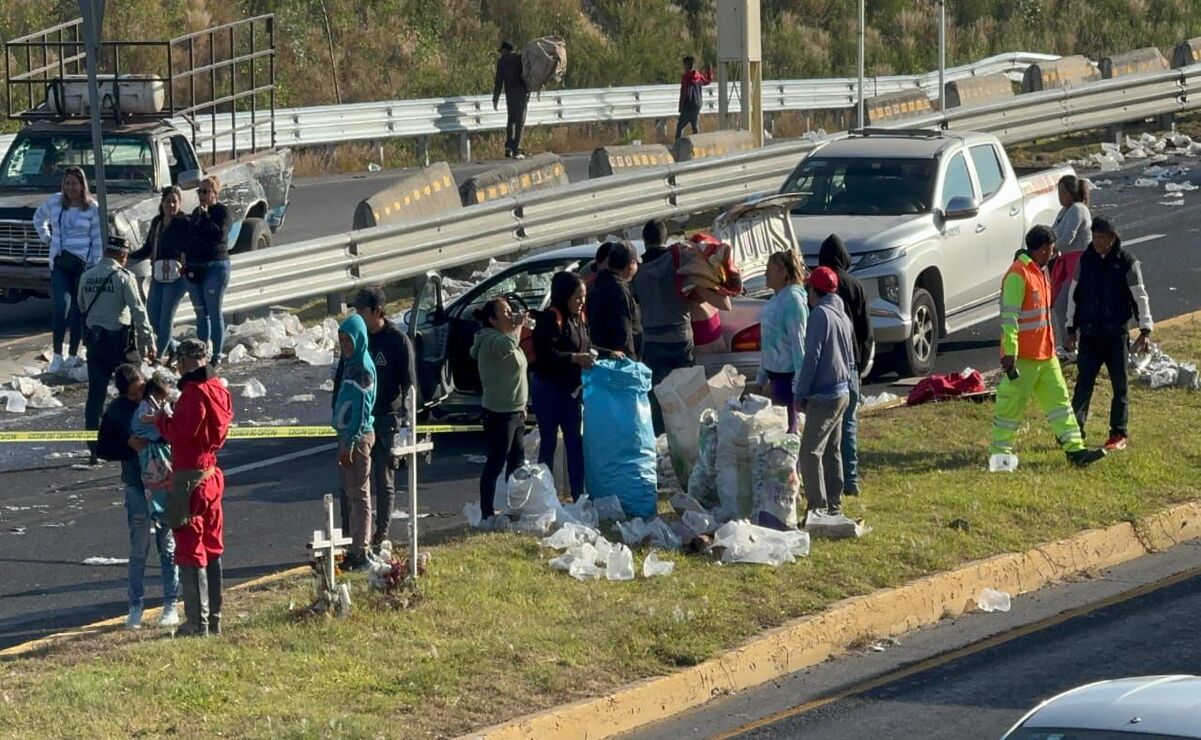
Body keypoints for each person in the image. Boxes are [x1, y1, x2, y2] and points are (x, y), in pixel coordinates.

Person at [990, 226, 1106, 468]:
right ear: (1042, 249)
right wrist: (1009, 352)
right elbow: (1009, 318)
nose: (1054, 254)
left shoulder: (1039, 271)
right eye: (1052, 249)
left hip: (1045, 354)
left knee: (1061, 404)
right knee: (1011, 408)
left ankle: (1076, 451)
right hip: (1023, 357)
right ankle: (1001, 457)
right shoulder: (1018, 274)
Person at [154, 338, 233, 636]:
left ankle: (195, 623)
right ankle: (214, 620)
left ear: (186, 360)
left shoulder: (192, 392)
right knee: (212, 546)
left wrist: (161, 418)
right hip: (211, 473)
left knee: (189, 547)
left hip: (190, 477)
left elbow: (181, 432)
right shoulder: (219, 389)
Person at [98, 364, 179, 631]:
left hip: (164, 482)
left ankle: (170, 603)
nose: (139, 397)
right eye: (133, 394)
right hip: (136, 484)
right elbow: (102, 448)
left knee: (167, 546)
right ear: (123, 395)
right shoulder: (116, 412)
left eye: (141, 389)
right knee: (138, 549)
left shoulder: (158, 400)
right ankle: (135, 606)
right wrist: (127, 445)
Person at [335, 287, 416, 551]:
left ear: (377, 311)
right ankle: (353, 536)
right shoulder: (355, 342)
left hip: (385, 418)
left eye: (362, 310)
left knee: (383, 479)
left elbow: (409, 383)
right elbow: (340, 383)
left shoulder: (396, 341)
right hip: (356, 423)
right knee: (353, 484)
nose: (358, 314)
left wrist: (405, 417)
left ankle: (380, 534)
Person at [1065, 216, 1153, 452]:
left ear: (1112, 238)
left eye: (1101, 237)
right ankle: (1075, 431)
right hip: (1090, 335)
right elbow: (1075, 293)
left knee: (1120, 386)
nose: (1096, 242)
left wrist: (1145, 330)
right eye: (1094, 237)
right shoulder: (1086, 259)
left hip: (1115, 336)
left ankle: (1118, 433)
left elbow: (1139, 296)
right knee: (1083, 384)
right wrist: (1070, 328)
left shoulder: (1126, 262)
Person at [79, 240, 156, 465]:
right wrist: (148, 341)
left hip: (96, 343)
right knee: (138, 392)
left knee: (95, 397)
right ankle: (141, 436)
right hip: (121, 345)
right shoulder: (124, 277)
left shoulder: (87, 276)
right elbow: (138, 310)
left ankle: (94, 448)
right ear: (123, 256)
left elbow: (81, 305)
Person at [794, 267, 856, 518]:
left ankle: (817, 507)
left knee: (809, 452)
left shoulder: (819, 315)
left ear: (813, 291)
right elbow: (851, 358)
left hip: (825, 394)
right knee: (832, 450)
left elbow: (812, 357)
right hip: (843, 391)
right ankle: (834, 504)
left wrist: (801, 392)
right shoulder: (842, 315)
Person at [818, 234, 874, 497]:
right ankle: (850, 482)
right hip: (850, 364)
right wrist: (861, 364)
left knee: (824, 428)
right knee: (849, 424)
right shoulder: (855, 285)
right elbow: (866, 330)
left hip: (827, 367)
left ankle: (830, 483)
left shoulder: (817, 287)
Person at [34, 166, 103, 375]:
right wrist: (48, 240)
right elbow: (38, 219)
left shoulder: (91, 208)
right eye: (67, 183)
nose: (71, 188)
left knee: (77, 311)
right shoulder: (55, 202)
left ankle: (73, 354)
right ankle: (57, 355)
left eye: (75, 183)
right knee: (61, 306)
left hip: (82, 264)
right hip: (61, 263)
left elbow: (97, 239)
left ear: (82, 185)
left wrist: (94, 264)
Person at [532, 272, 593, 501]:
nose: (581, 302)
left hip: (572, 390)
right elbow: (547, 355)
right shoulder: (550, 318)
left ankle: (578, 494)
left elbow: (587, 342)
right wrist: (575, 358)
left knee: (575, 442)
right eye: (577, 298)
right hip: (549, 389)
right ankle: (544, 496)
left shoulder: (580, 318)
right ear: (564, 296)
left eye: (583, 297)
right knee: (548, 442)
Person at [632, 220, 694, 433]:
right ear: (665, 238)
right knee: (685, 393)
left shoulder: (637, 272)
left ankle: (662, 442)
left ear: (644, 240)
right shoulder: (678, 261)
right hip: (681, 336)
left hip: (653, 341)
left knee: (659, 397)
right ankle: (687, 436)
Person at [471, 297, 529, 519]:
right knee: (496, 462)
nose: (510, 314)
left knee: (517, 462)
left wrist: (522, 405)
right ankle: (487, 512)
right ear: (492, 320)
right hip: (499, 413)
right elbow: (506, 348)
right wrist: (519, 325)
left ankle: (512, 508)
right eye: (505, 312)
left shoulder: (505, 338)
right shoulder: (490, 340)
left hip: (515, 410)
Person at [333, 313, 378, 569]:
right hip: (347, 436)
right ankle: (355, 546)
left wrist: (350, 443)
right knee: (352, 494)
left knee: (359, 495)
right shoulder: (350, 364)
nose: (345, 346)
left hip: (357, 439)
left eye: (349, 340)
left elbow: (362, 409)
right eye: (342, 341)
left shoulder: (362, 367)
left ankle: (361, 548)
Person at [132, 186, 192, 363]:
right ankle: (176, 348)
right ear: (162, 202)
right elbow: (148, 249)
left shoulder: (184, 222)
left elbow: (191, 246)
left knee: (166, 318)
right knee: (152, 318)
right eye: (168, 201)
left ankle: (158, 358)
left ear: (179, 204)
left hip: (176, 278)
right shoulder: (157, 222)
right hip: (158, 276)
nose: (171, 205)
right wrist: (129, 256)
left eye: (175, 201)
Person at [753, 250, 808, 434]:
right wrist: (760, 378)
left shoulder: (792, 299)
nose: (765, 274)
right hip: (775, 376)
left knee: (789, 432)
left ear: (784, 272)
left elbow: (798, 343)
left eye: (770, 269)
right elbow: (767, 344)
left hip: (789, 377)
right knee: (780, 430)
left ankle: (795, 463)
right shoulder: (775, 300)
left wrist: (798, 385)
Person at [185, 175, 233, 363]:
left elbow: (218, 234)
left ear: (215, 194)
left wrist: (205, 215)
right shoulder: (196, 213)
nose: (202, 196)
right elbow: (191, 236)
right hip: (196, 265)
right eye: (200, 192)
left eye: (206, 192)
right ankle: (201, 351)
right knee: (200, 312)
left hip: (216, 264)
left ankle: (217, 354)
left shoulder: (223, 212)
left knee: (214, 311)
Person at [1049, 175, 1092, 357]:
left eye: (1063, 192)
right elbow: (1053, 232)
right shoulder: (1064, 211)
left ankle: (1074, 344)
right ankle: (1068, 343)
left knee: (1068, 303)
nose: (1060, 196)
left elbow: (1067, 238)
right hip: (1066, 261)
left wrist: (1052, 246)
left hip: (1078, 261)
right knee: (1062, 304)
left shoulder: (1077, 209)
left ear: (1072, 193)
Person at [588, 241, 642, 360]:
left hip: (603, 358)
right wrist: (631, 363)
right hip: (620, 362)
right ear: (631, 264)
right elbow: (624, 333)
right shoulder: (619, 289)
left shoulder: (597, 285)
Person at [493, 41, 530, 159]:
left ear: (505, 50)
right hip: (521, 93)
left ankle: (509, 147)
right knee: (520, 121)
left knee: (511, 120)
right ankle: (517, 148)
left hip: (510, 94)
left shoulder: (502, 62)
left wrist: (496, 98)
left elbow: (498, 82)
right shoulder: (519, 59)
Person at [676, 55, 713, 142]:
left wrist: (681, 106)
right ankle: (698, 144)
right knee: (694, 124)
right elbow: (707, 81)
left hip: (688, 104)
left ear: (686, 65)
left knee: (680, 126)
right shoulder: (699, 76)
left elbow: (684, 92)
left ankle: (677, 144)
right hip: (697, 104)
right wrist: (709, 71)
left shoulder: (685, 77)